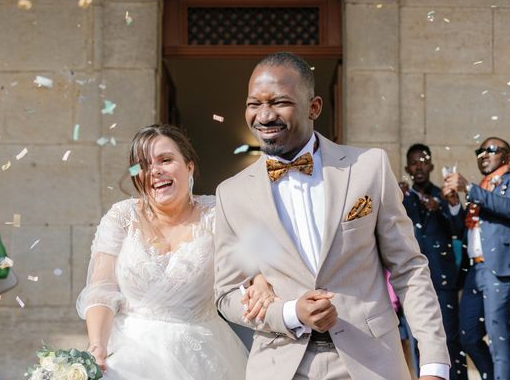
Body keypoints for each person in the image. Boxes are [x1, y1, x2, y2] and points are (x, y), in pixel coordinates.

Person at [214, 52, 449, 380]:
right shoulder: (232, 194)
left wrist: (434, 364)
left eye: (279, 102)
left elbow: (409, 268)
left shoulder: (369, 167)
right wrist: (290, 312)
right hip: (280, 365)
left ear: (314, 107)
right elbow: (227, 294)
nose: (264, 115)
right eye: (254, 104)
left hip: (371, 362)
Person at [77, 124, 275, 379]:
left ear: (189, 166)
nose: (155, 171)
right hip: (128, 357)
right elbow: (102, 289)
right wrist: (97, 346)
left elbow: (257, 259)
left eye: (166, 160)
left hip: (203, 356)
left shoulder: (217, 213)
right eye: (144, 165)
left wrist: (260, 281)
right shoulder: (121, 216)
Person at [444, 137, 510, 380]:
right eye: (479, 151)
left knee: (498, 336)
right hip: (475, 270)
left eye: (490, 150)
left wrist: (470, 189)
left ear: (507, 155)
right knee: (468, 335)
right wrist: (454, 204)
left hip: (501, 268)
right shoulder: (482, 188)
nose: (483, 154)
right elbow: (465, 231)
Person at [403, 144, 466, 380]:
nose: (419, 166)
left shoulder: (443, 195)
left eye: (423, 161)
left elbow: (459, 230)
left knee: (450, 337)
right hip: (412, 280)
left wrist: (447, 205)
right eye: (414, 162)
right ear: (407, 167)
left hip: (443, 278)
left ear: (431, 166)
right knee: (420, 337)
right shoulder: (400, 198)